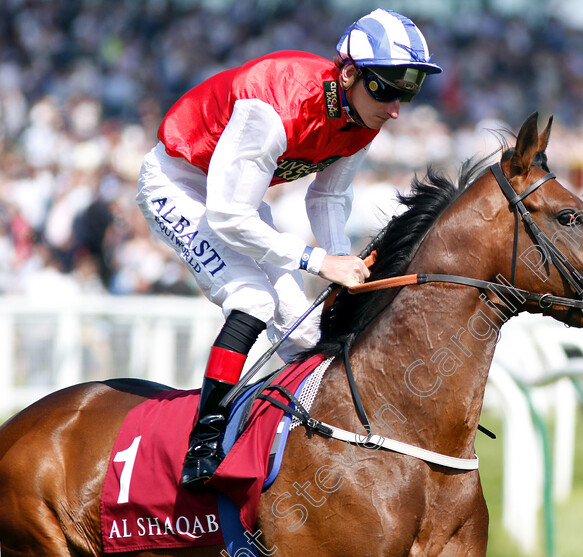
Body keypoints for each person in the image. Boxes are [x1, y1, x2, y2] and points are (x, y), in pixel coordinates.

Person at [135, 8, 441, 489]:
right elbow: (227, 217)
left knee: (303, 334)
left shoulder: (363, 114)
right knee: (252, 299)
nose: (397, 105)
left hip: (234, 196)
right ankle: (205, 440)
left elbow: (328, 196)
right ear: (348, 73)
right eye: (387, 86)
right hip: (178, 184)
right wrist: (319, 261)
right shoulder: (274, 107)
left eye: (410, 87)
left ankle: (296, 451)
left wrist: (345, 260)